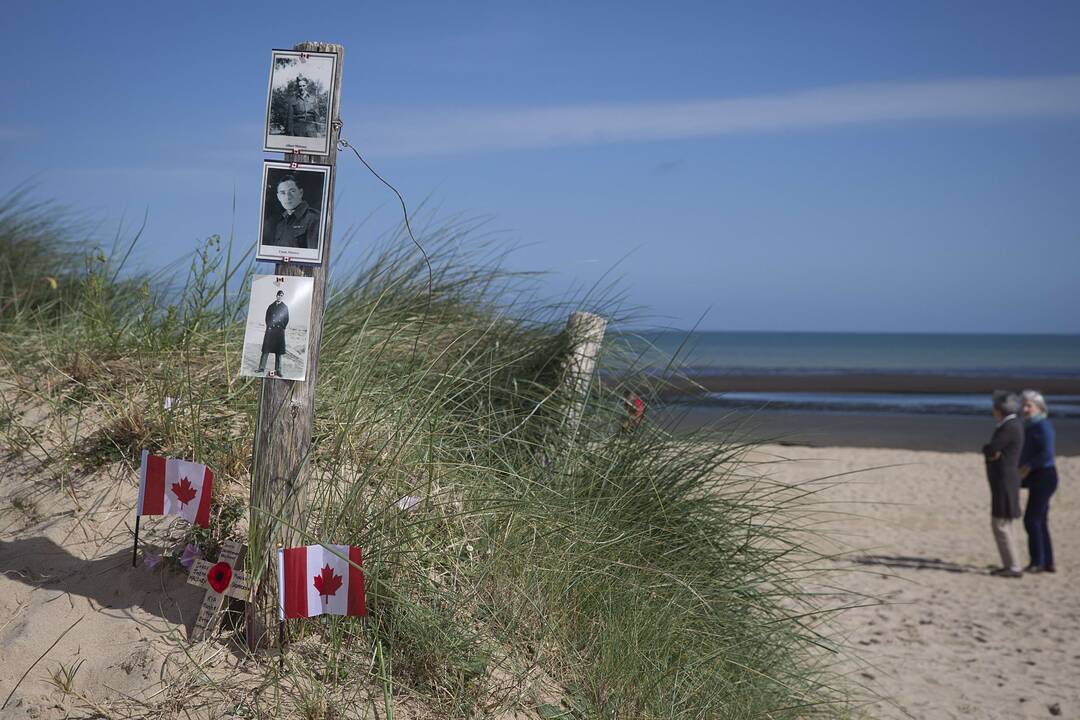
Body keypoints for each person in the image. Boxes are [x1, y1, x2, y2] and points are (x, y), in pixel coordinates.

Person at [982, 390, 1025, 577]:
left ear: (1000, 409)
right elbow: (993, 452)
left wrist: (990, 451)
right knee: (1004, 523)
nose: (993, 411)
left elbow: (992, 449)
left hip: (1005, 480)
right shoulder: (1012, 424)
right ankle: (1010, 563)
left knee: (1000, 523)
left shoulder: (1010, 426)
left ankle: (1013, 566)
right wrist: (992, 452)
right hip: (1005, 479)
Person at [1019, 389, 1058, 573]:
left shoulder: (1042, 426)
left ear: (1039, 407)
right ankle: (1048, 562)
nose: (1025, 409)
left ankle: (1037, 562)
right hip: (1036, 476)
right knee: (1040, 520)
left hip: (1045, 476)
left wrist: (1028, 466)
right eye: (1024, 405)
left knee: (1031, 520)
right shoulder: (1030, 426)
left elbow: (1046, 453)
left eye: (1029, 406)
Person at [266, 175, 320, 250]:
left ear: (300, 193)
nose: (287, 197)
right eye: (283, 193)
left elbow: (313, 256)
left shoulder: (314, 219)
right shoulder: (280, 223)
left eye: (292, 191)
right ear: (278, 197)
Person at [257, 290, 289, 376]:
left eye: (281, 295)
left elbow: (286, 319)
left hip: (279, 331)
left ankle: (278, 370)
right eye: (278, 295)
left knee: (278, 352)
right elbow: (267, 317)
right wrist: (269, 325)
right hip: (271, 330)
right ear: (276, 296)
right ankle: (261, 368)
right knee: (266, 350)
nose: (280, 297)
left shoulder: (285, 307)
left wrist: (282, 327)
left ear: (282, 297)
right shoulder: (271, 306)